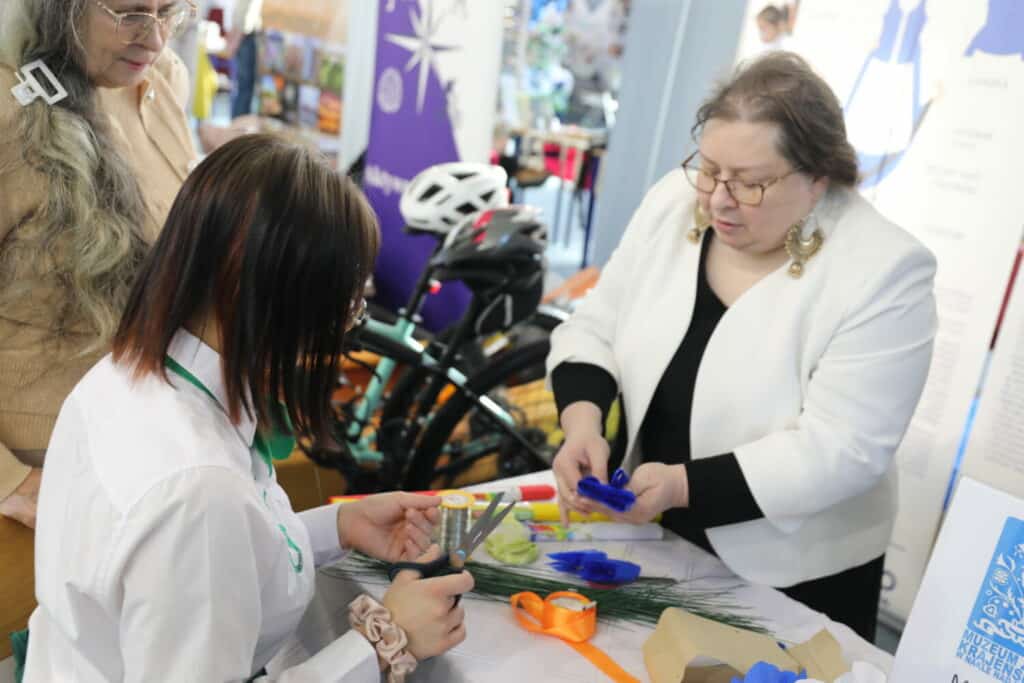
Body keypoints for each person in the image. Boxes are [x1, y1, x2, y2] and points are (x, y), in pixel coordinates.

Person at [25, 134, 473, 681]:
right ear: (283, 300)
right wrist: (386, 640)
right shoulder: (198, 488)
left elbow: (215, 562)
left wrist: (338, 525)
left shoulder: (134, 374)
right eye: (349, 304)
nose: (346, 326)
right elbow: (205, 536)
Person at [548, 51, 936, 640]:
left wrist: (683, 487)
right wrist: (583, 426)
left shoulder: (884, 269)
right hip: (654, 533)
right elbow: (594, 326)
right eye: (708, 170)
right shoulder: (673, 203)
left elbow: (842, 448)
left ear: (818, 177)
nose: (718, 200)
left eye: (751, 183)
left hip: (795, 571)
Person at [0, 0, 199, 529]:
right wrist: (10, 481)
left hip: (147, 455)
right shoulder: (7, 110)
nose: (155, 39)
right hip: (44, 479)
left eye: (170, 11)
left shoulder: (156, 81)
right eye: (130, 13)